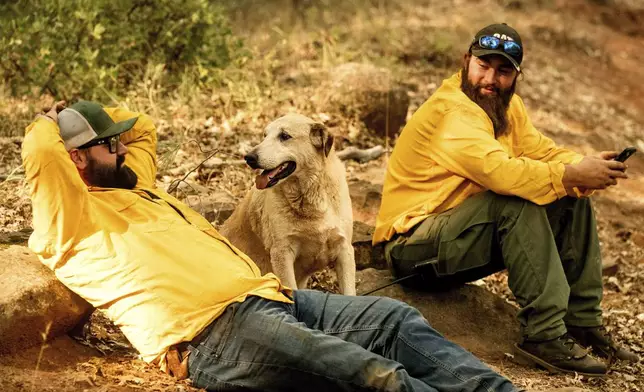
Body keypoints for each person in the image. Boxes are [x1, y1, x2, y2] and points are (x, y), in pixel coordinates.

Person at [22, 99, 581, 392]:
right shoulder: (70, 216)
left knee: (393, 321)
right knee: (368, 372)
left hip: (273, 299)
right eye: (108, 146)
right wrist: (54, 121)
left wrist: (98, 125)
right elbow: (43, 152)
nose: (124, 149)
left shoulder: (135, 184)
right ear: (75, 158)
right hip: (211, 334)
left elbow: (142, 129)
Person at [373, 23, 638, 377]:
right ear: (466, 61)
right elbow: (499, 172)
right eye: (483, 65)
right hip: (413, 250)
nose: (491, 78)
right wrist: (570, 174)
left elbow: (542, 152)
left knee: (571, 197)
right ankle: (543, 335)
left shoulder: (507, 108)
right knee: (514, 199)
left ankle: (581, 321)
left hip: (459, 238)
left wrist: (584, 166)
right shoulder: (452, 112)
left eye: (503, 71)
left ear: (516, 76)